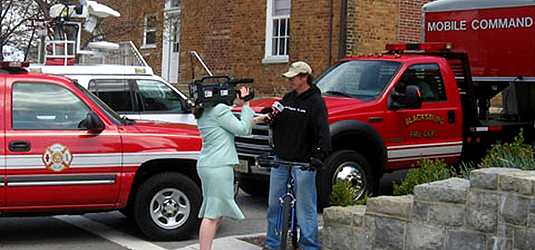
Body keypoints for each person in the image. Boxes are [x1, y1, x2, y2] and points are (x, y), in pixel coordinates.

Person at [264, 61, 331, 250]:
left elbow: (323, 132)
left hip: (304, 162)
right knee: (274, 205)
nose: (290, 81)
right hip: (281, 158)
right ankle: (272, 243)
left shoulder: (316, 102)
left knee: (305, 207)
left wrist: (319, 156)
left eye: (293, 78)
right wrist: (271, 116)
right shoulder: (288, 98)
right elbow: (277, 120)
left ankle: (309, 245)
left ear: (304, 78)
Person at [194, 86, 265, 250]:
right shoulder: (220, 110)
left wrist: (259, 119)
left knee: (215, 212)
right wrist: (246, 104)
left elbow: (233, 125)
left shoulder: (206, 110)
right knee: (212, 215)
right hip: (219, 166)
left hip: (208, 164)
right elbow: (243, 129)